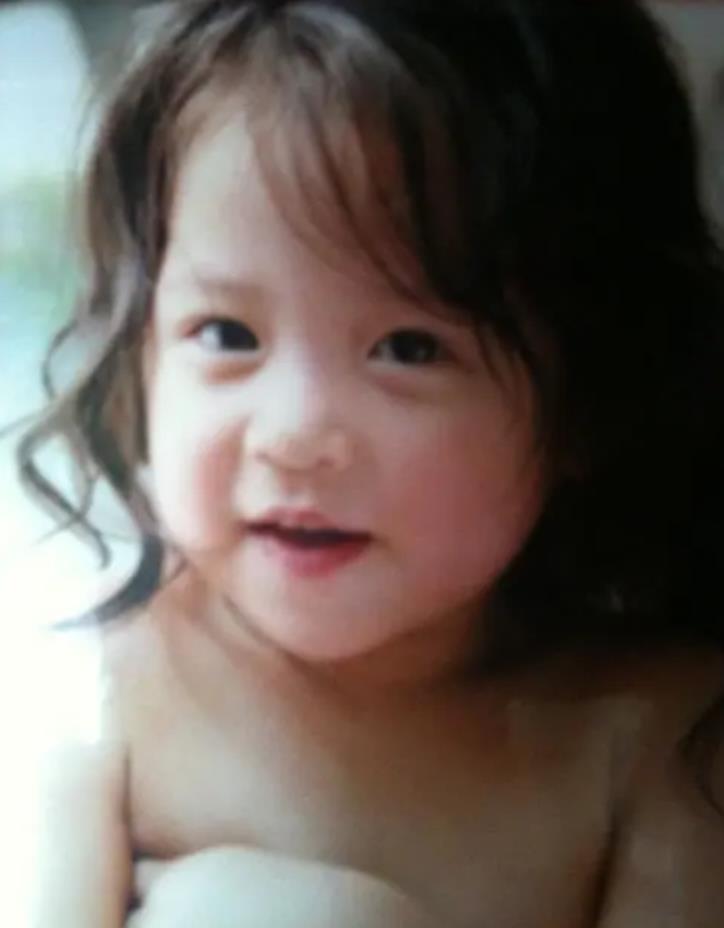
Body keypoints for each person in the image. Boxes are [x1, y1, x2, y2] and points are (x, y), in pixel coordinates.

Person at [13, 0, 724, 925]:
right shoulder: (101, 693)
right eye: (226, 334)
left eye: (409, 349)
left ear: (588, 403)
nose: (293, 435)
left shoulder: (659, 737)